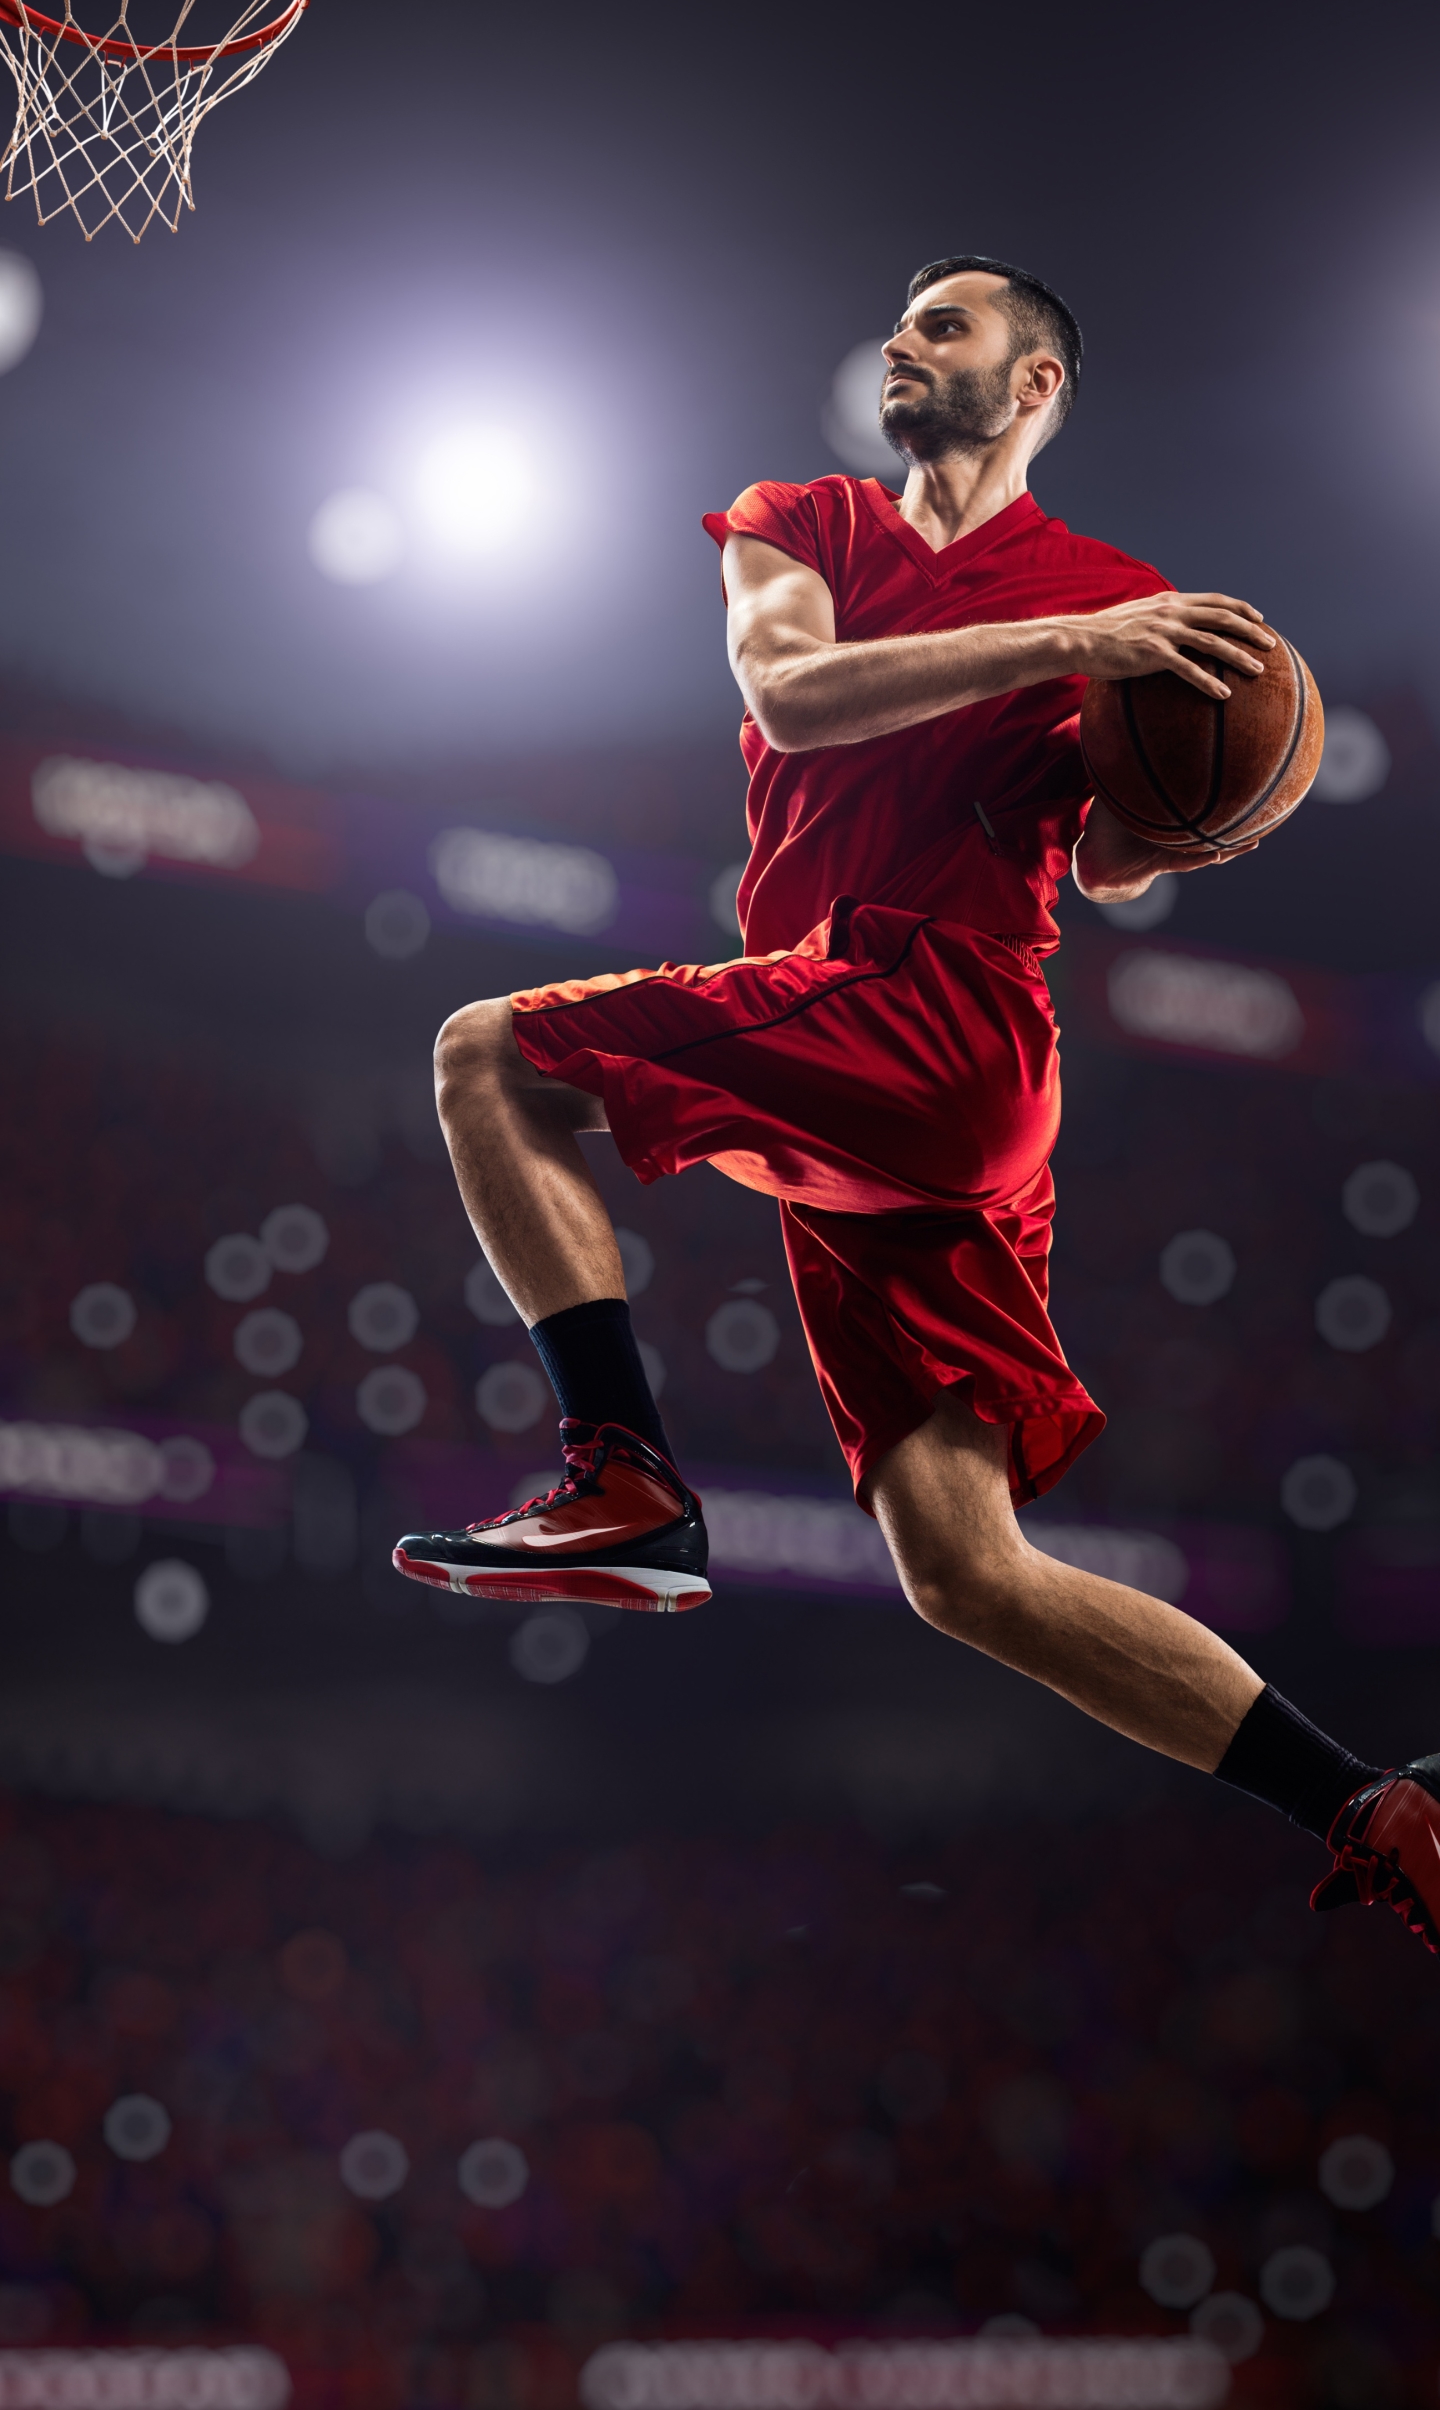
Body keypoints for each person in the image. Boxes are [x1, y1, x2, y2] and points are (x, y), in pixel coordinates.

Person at [394, 254, 1440, 1950]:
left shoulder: (1117, 593)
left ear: (1036, 386)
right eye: (902, 318)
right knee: (964, 1572)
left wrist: (1211, 795)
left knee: (483, 1053)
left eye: (948, 323)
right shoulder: (798, 522)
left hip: (938, 1007)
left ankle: (621, 1472)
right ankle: (1374, 1806)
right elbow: (788, 697)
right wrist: (1073, 643)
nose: (906, 339)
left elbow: (1106, 862)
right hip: (886, 1068)